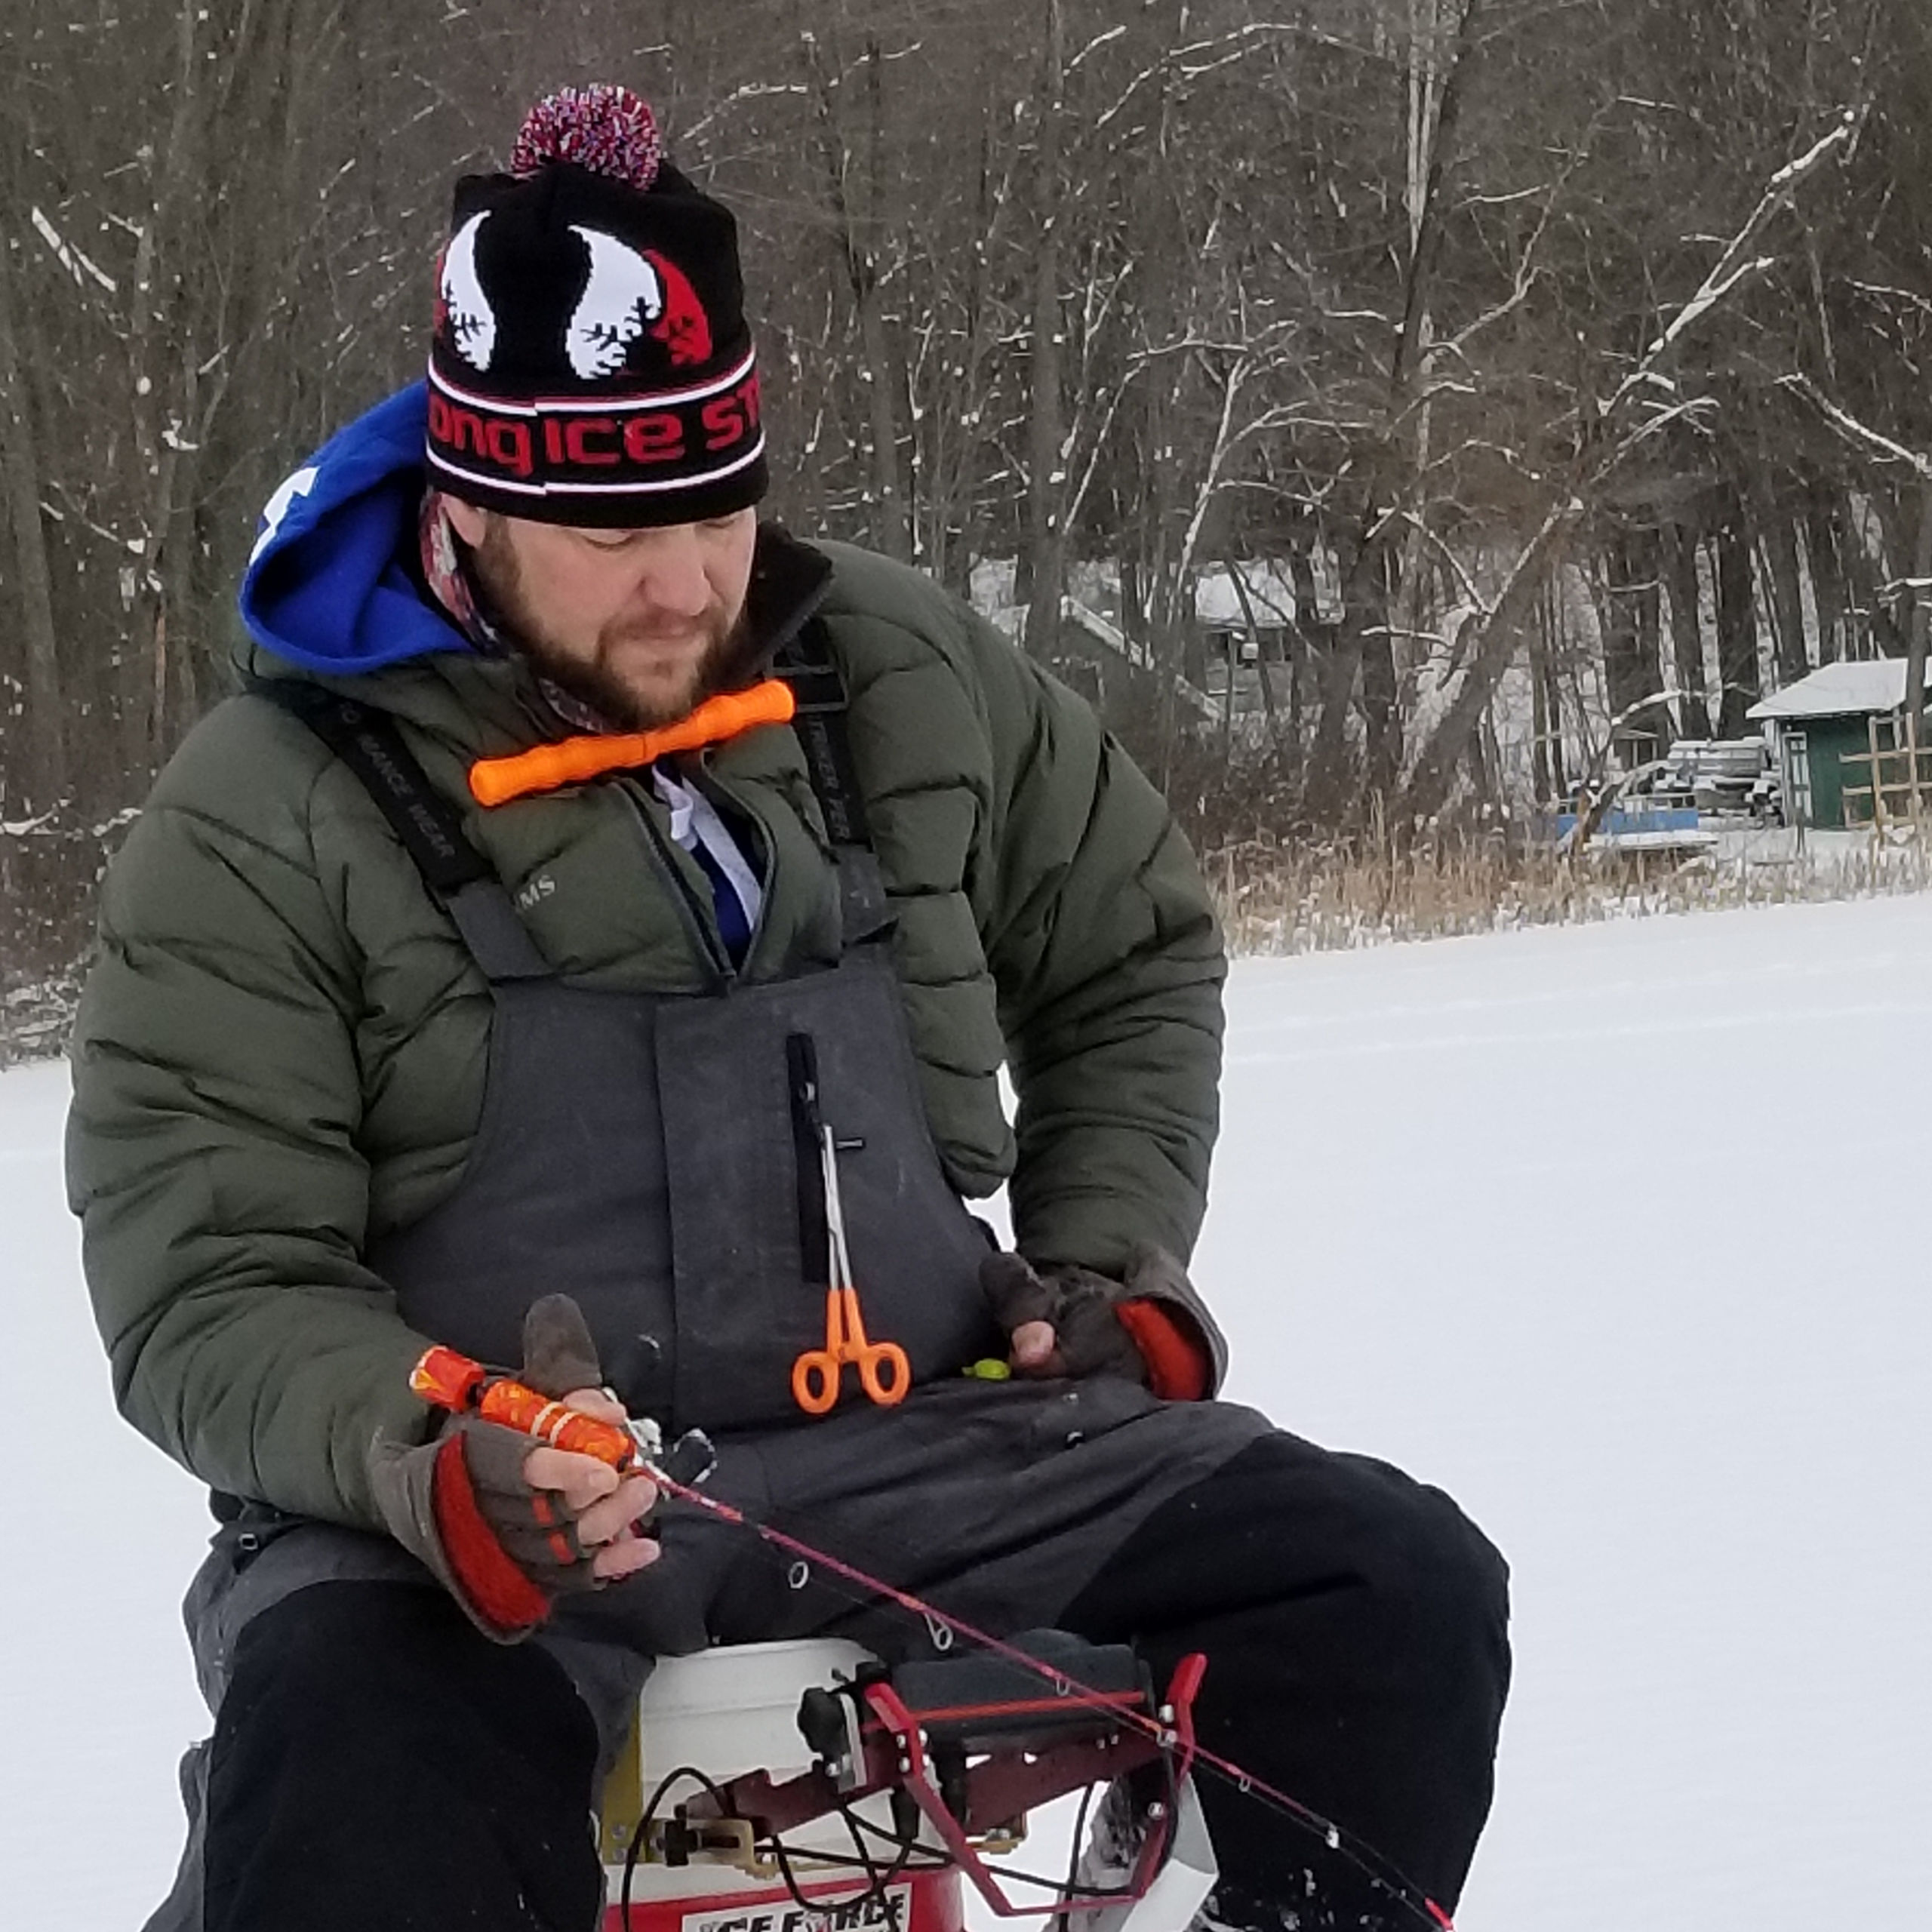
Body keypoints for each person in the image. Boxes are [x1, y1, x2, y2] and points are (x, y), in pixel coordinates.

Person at [67, 84, 1509, 1932]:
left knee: (1389, 1588)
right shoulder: (261, 810)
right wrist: (433, 1457)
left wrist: (1106, 1259)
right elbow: (207, 1279)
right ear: (473, 503)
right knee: (347, 1796)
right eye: (607, 533)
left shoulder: (896, 667)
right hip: (480, 1538)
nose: (684, 583)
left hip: (933, 1448)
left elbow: (1131, 943)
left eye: (715, 506)